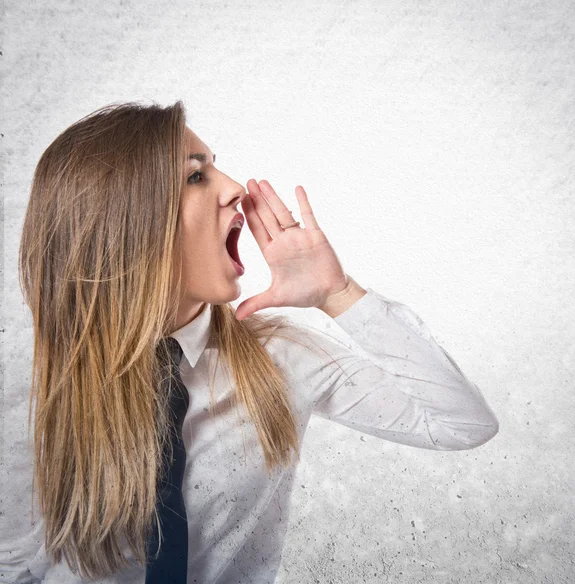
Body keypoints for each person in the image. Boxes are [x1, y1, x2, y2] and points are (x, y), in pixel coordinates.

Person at [0, 101, 499, 583]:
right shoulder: (32, 391)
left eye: (215, 168)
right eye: (196, 176)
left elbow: (461, 425)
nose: (236, 189)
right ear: (128, 222)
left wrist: (338, 294)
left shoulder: (280, 358)